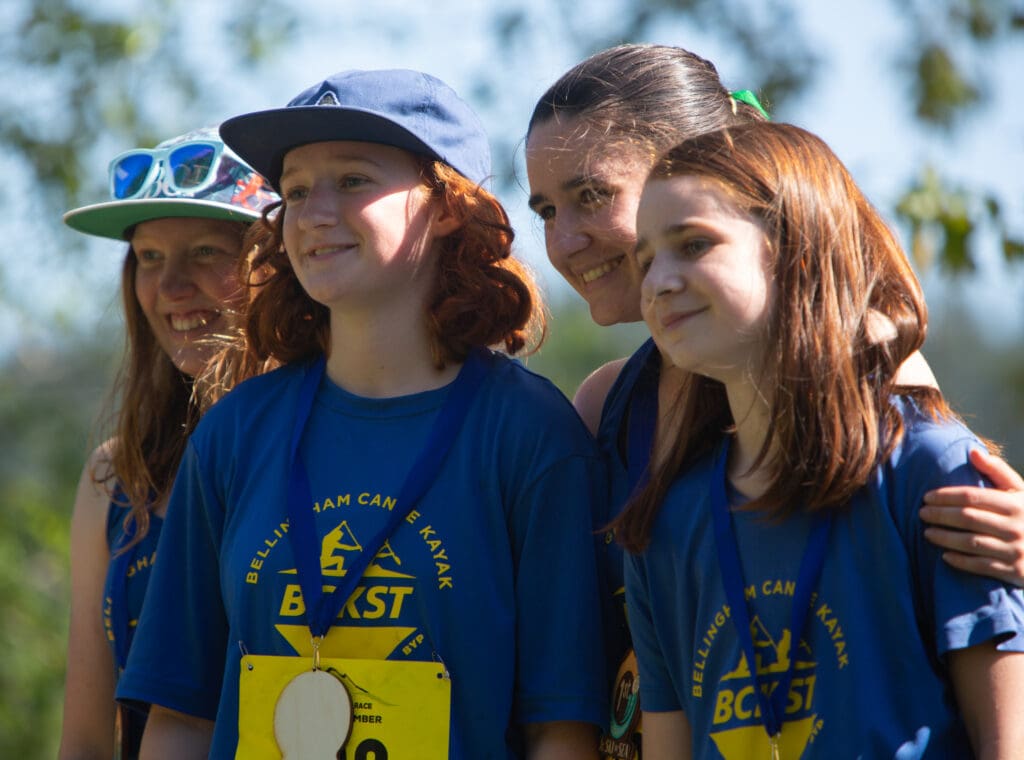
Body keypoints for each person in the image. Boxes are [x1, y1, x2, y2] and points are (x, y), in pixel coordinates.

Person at [524, 43, 1024, 759]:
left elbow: (942, 555)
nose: (564, 240)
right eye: (545, 208)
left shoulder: (877, 373)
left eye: (592, 195)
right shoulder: (607, 404)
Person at [116, 68, 607, 759]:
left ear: (444, 207)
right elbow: (180, 719)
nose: (314, 213)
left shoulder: (531, 436)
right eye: (294, 191)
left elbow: (560, 733)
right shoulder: (235, 434)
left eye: (351, 180)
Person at [58, 127, 278, 759]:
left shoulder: (327, 445)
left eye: (205, 251)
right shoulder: (115, 476)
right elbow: (85, 741)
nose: (171, 286)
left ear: (271, 265)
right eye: (149, 257)